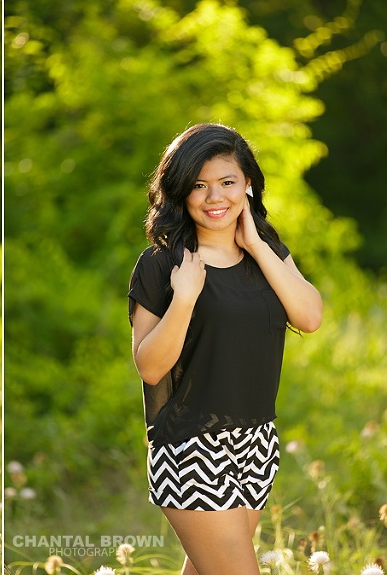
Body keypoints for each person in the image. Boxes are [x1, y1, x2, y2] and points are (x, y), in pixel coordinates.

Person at [128, 123, 322, 575]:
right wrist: (186, 297)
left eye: (227, 183)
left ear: (247, 185)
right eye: (199, 185)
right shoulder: (162, 263)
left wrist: (255, 242)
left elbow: (309, 317)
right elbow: (151, 368)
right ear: (180, 191)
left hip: (255, 443)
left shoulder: (267, 250)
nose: (215, 198)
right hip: (191, 448)